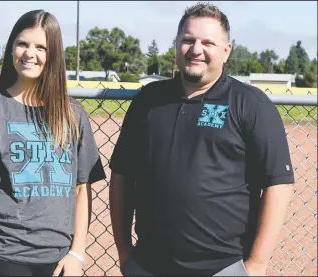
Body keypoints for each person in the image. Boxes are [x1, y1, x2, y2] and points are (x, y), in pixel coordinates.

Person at [109, 3, 294, 276]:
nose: (196, 49)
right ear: (176, 46)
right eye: (188, 40)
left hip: (224, 268)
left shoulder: (251, 104)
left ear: (226, 50)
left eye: (208, 42)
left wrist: (256, 264)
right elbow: (122, 175)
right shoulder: (148, 101)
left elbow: (278, 184)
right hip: (148, 265)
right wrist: (124, 251)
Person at [0, 10, 105, 277]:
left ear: (53, 55)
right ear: (11, 48)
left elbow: (82, 190)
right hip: (2, 254)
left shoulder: (73, 114)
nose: (29, 53)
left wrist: (77, 253)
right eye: (22, 43)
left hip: (59, 258)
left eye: (41, 47)